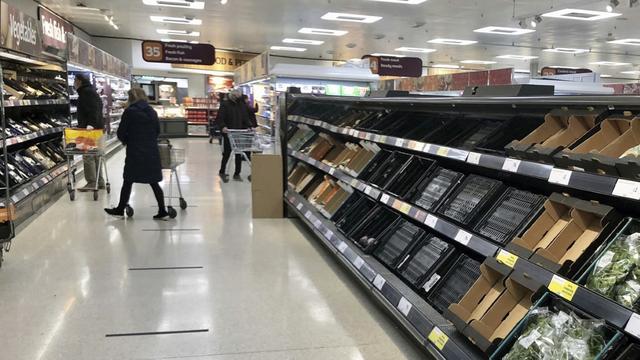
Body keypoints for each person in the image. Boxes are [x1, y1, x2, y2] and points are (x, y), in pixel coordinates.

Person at [104, 87, 168, 220]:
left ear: (131, 98)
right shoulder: (152, 111)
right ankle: (162, 210)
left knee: (128, 180)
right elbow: (157, 131)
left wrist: (128, 141)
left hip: (135, 152)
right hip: (151, 151)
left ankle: (120, 209)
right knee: (154, 181)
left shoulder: (129, 112)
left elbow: (121, 133)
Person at [74, 74, 105, 191]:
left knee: (88, 156)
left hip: (90, 130)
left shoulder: (86, 92)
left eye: (75, 81)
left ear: (80, 81)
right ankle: (99, 181)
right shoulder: (90, 91)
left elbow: (94, 109)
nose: (74, 83)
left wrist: (90, 125)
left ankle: (92, 182)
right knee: (96, 155)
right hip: (95, 129)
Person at [216, 89, 254, 183]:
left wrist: (249, 126)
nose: (237, 98)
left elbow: (245, 117)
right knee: (227, 153)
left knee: (239, 153)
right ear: (231, 96)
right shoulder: (225, 104)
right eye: (235, 97)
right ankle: (222, 171)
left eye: (238, 97)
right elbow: (220, 117)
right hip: (229, 132)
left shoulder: (241, 105)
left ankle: (237, 173)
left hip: (239, 132)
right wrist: (223, 127)